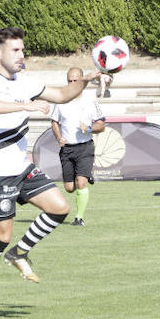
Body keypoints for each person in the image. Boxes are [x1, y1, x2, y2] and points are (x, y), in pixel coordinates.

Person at [0, 26, 101, 319]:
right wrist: (25, 105)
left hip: (21, 167)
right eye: (15, 50)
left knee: (60, 208)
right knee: (0, 237)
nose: (21, 54)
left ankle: (20, 253)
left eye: (22, 49)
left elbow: (63, 94)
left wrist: (85, 80)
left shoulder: (26, 81)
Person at [50, 68, 105, 227]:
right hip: (67, 149)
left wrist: (88, 128)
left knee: (81, 183)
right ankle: (85, 175)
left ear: (82, 80)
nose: (72, 83)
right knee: (69, 188)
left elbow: (101, 125)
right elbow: (54, 122)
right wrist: (59, 137)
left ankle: (79, 218)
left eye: (75, 80)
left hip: (85, 147)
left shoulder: (90, 100)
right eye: (69, 81)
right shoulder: (60, 100)